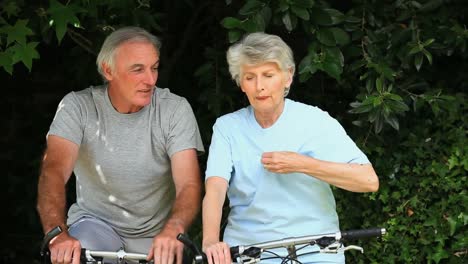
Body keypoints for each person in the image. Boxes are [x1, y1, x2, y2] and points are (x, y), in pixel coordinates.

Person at [202, 32, 379, 264]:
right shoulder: (227, 127)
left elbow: (368, 181)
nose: (259, 87)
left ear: (288, 77)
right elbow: (215, 188)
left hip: (316, 251)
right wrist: (210, 240)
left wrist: (302, 163)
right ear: (240, 83)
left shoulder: (315, 120)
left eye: (268, 75)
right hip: (250, 253)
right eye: (249, 77)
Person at [36, 26, 204, 264]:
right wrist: (57, 234)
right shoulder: (77, 107)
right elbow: (53, 170)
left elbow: (188, 182)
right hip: (95, 227)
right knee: (75, 255)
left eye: (154, 68)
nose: (150, 80)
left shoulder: (174, 109)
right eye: (138, 70)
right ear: (108, 70)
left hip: (157, 236)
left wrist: (173, 229)